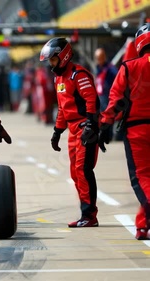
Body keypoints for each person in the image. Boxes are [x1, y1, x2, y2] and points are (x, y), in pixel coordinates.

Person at [39, 37, 101, 228]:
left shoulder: (78, 75)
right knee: (75, 173)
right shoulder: (59, 78)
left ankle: (89, 215)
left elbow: (92, 100)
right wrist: (57, 131)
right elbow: (62, 109)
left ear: (63, 56)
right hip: (72, 131)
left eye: (53, 59)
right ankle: (86, 214)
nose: (51, 63)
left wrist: (91, 125)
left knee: (83, 171)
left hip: (85, 129)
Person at [98, 23, 150, 240]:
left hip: (138, 131)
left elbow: (116, 101)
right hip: (138, 129)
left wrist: (105, 126)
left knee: (142, 177)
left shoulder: (129, 67)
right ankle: (142, 225)